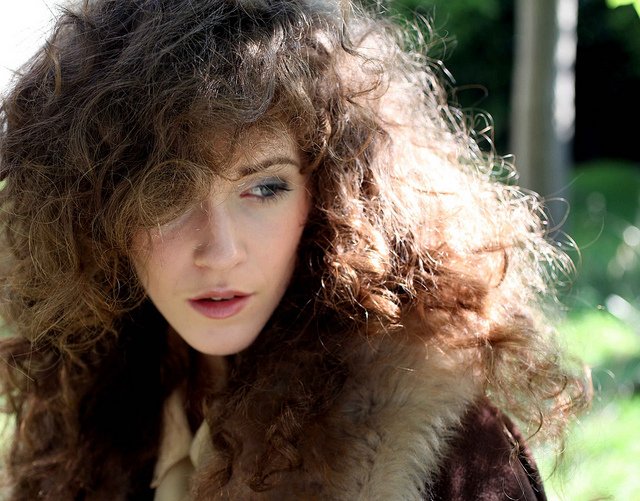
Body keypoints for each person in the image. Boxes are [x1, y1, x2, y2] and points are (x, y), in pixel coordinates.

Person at [0, 0, 590, 499]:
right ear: (94, 209)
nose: (220, 252)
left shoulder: (445, 453)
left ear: (332, 192)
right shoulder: (84, 416)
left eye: (264, 188)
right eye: (167, 195)